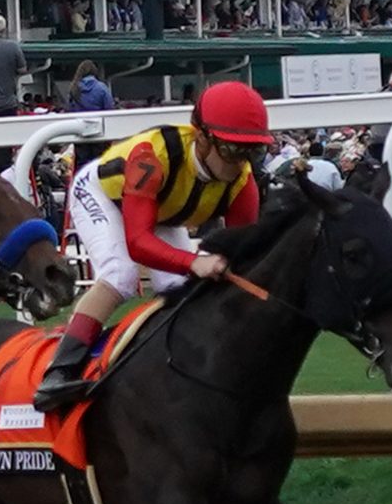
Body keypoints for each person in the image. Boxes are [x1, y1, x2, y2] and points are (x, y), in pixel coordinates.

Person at [35, 79, 270, 415]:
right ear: (201, 137)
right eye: (233, 149)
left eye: (253, 151)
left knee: (181, 289)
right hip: (104, 194)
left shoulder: (243, 182)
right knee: (121, 274)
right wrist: (194, 262)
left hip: (160, 209)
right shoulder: (152, 157)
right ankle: (59, 371)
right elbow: (137, 244)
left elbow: (245, 255)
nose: (240, 163)